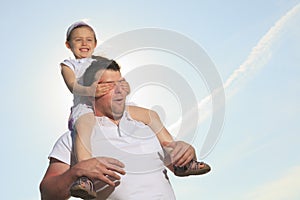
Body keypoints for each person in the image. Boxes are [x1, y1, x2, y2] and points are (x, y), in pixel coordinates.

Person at [60, 21, 211, 199]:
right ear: (68, 45)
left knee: (150, 115)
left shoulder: (101, 62)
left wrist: (119, 86)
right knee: (84, 129)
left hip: (114, 107)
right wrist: (89, 90)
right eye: (78, 40)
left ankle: (179, 159)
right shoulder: (69, 65)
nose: (84, 44)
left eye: (89, 40)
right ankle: (85, 179)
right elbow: (72, 85)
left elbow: (122, 82)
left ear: (95, 43)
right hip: (85, 107)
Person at [40, 57, 178, 199]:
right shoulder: (73, 139)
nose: (119, 90)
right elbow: (47, 194)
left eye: (121, 84)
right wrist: (75, 172)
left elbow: (176, 164)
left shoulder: (147, 127)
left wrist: (186, 154)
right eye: (109, 85)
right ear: (90, 94)